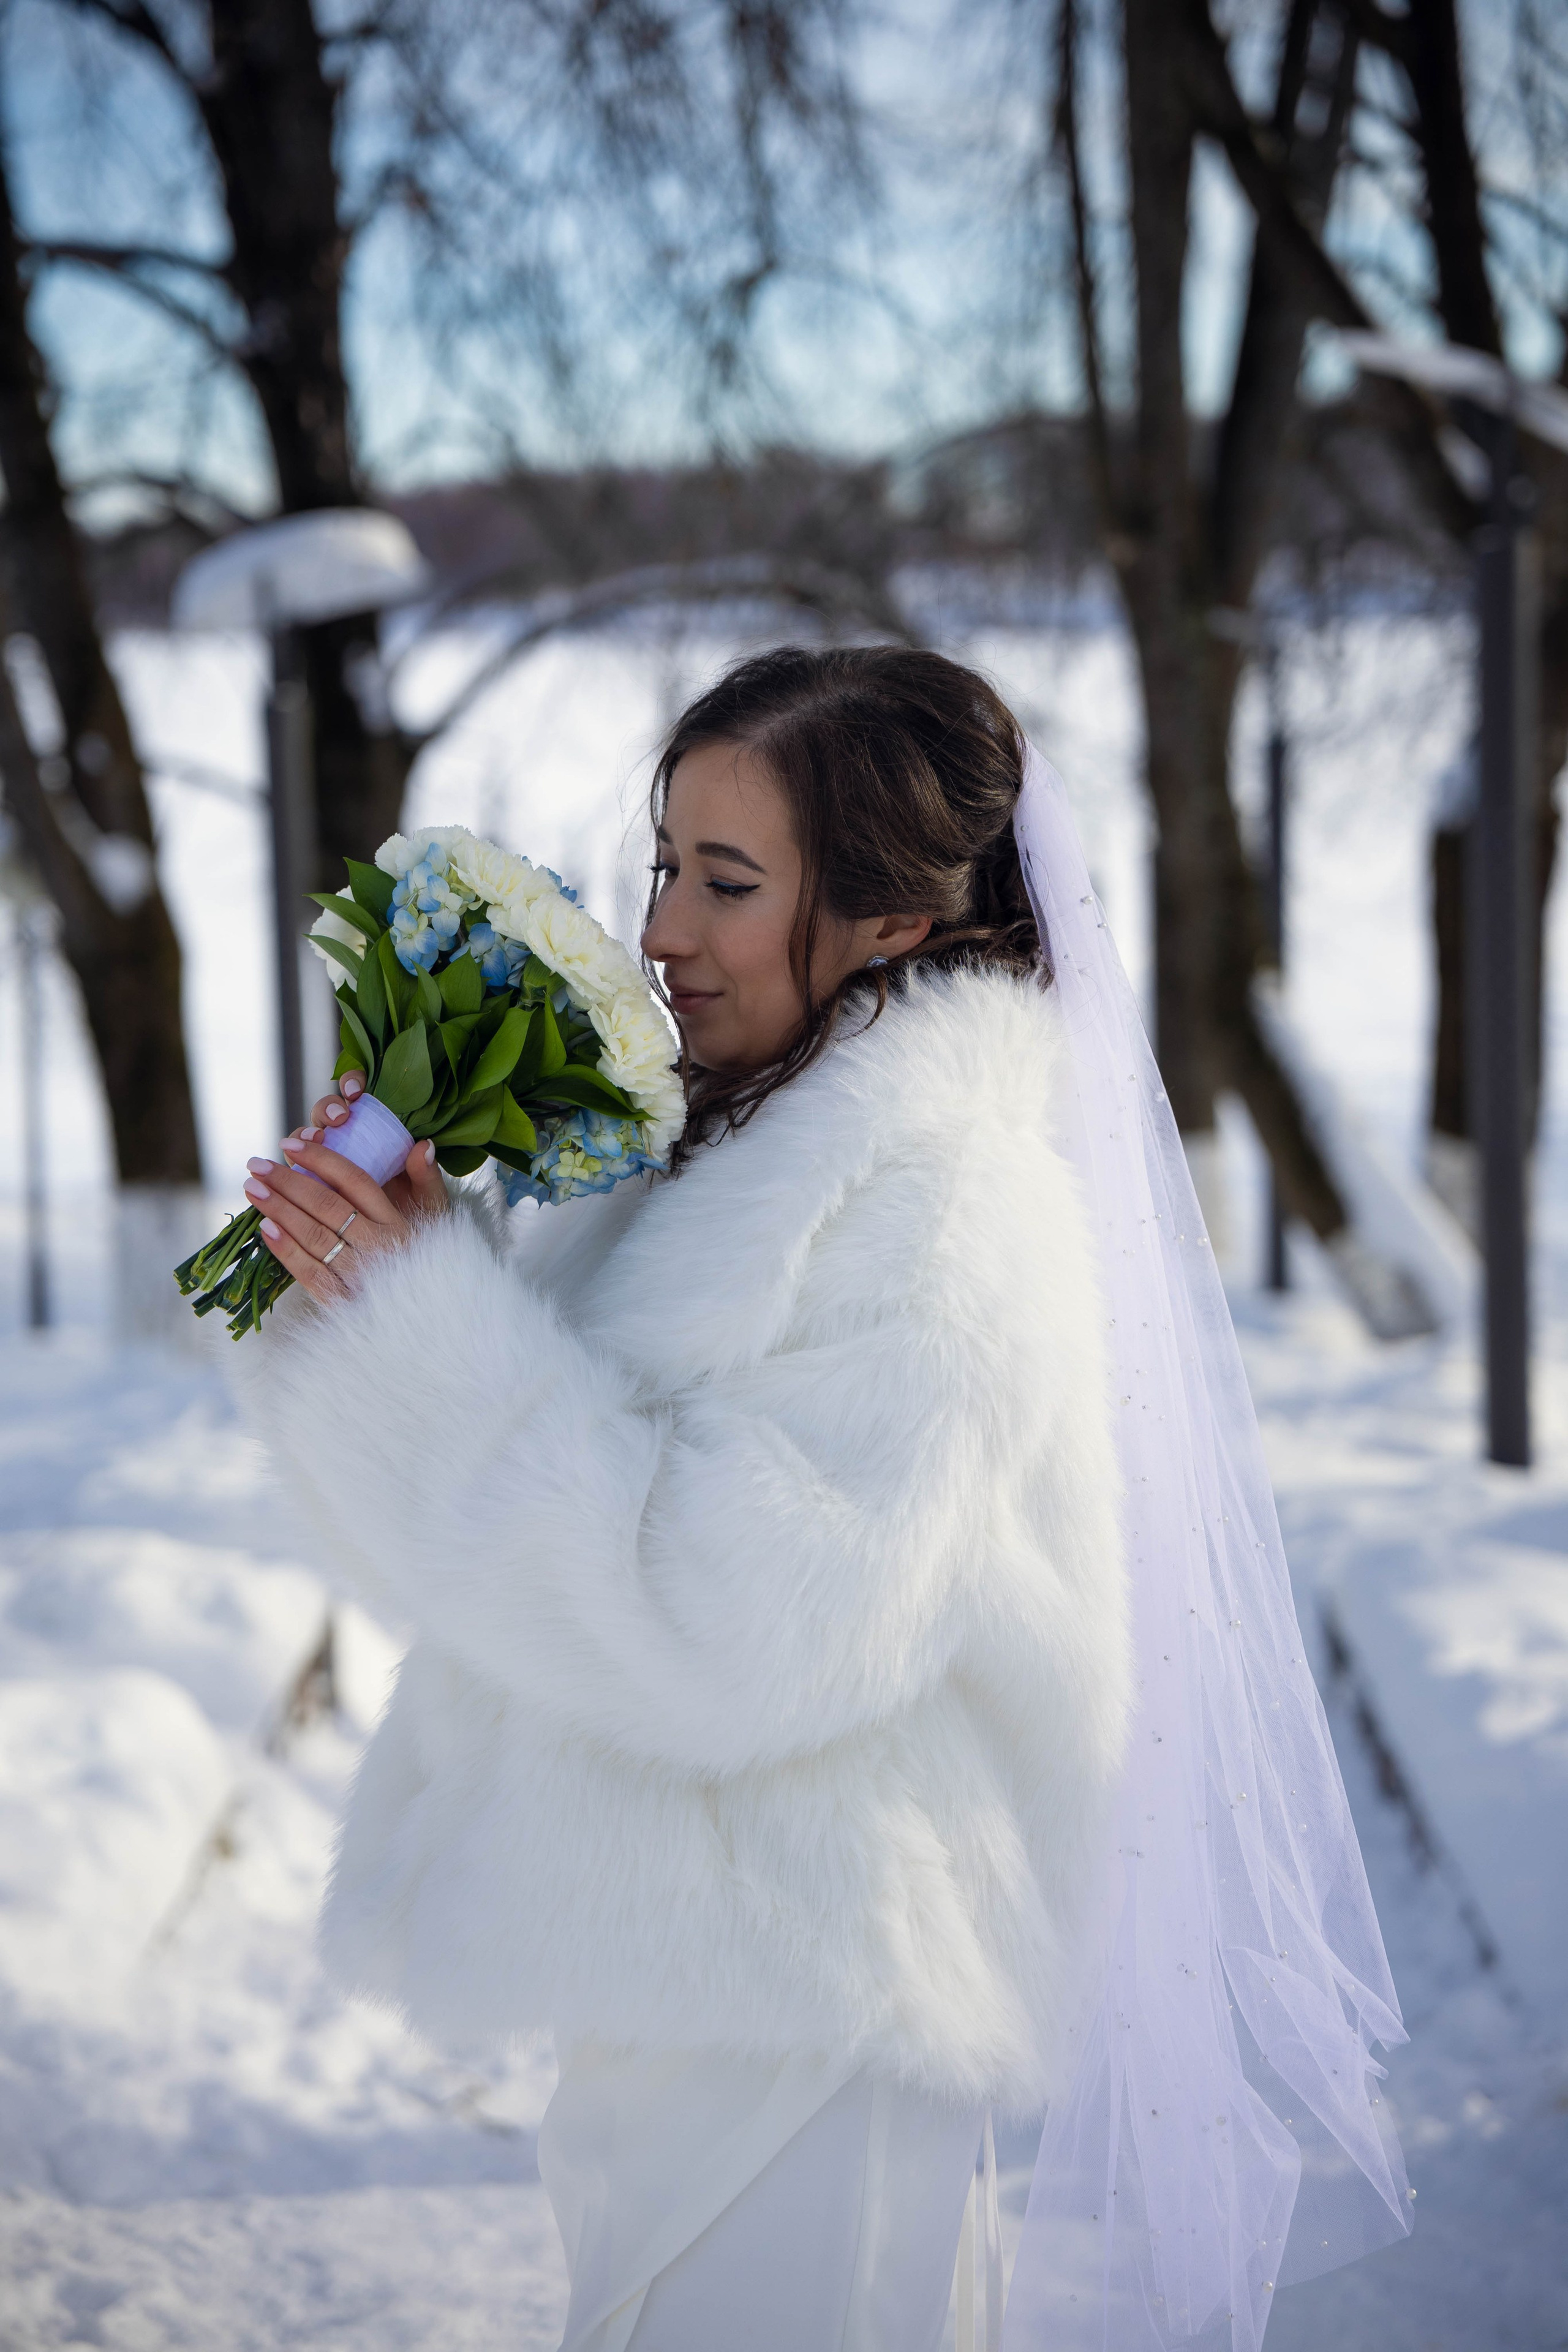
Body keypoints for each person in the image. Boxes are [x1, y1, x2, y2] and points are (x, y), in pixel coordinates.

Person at [237, 646, 1408, 2352]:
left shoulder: (940, 1211)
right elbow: (488, 1541)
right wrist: (367, 1284)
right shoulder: (725, 1153)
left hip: (823, 2017)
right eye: (663, 867)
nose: (659, 934)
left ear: (892, 921)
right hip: (691, 2005)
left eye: (729, 882)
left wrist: (433, 1324)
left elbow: (724, 1622)